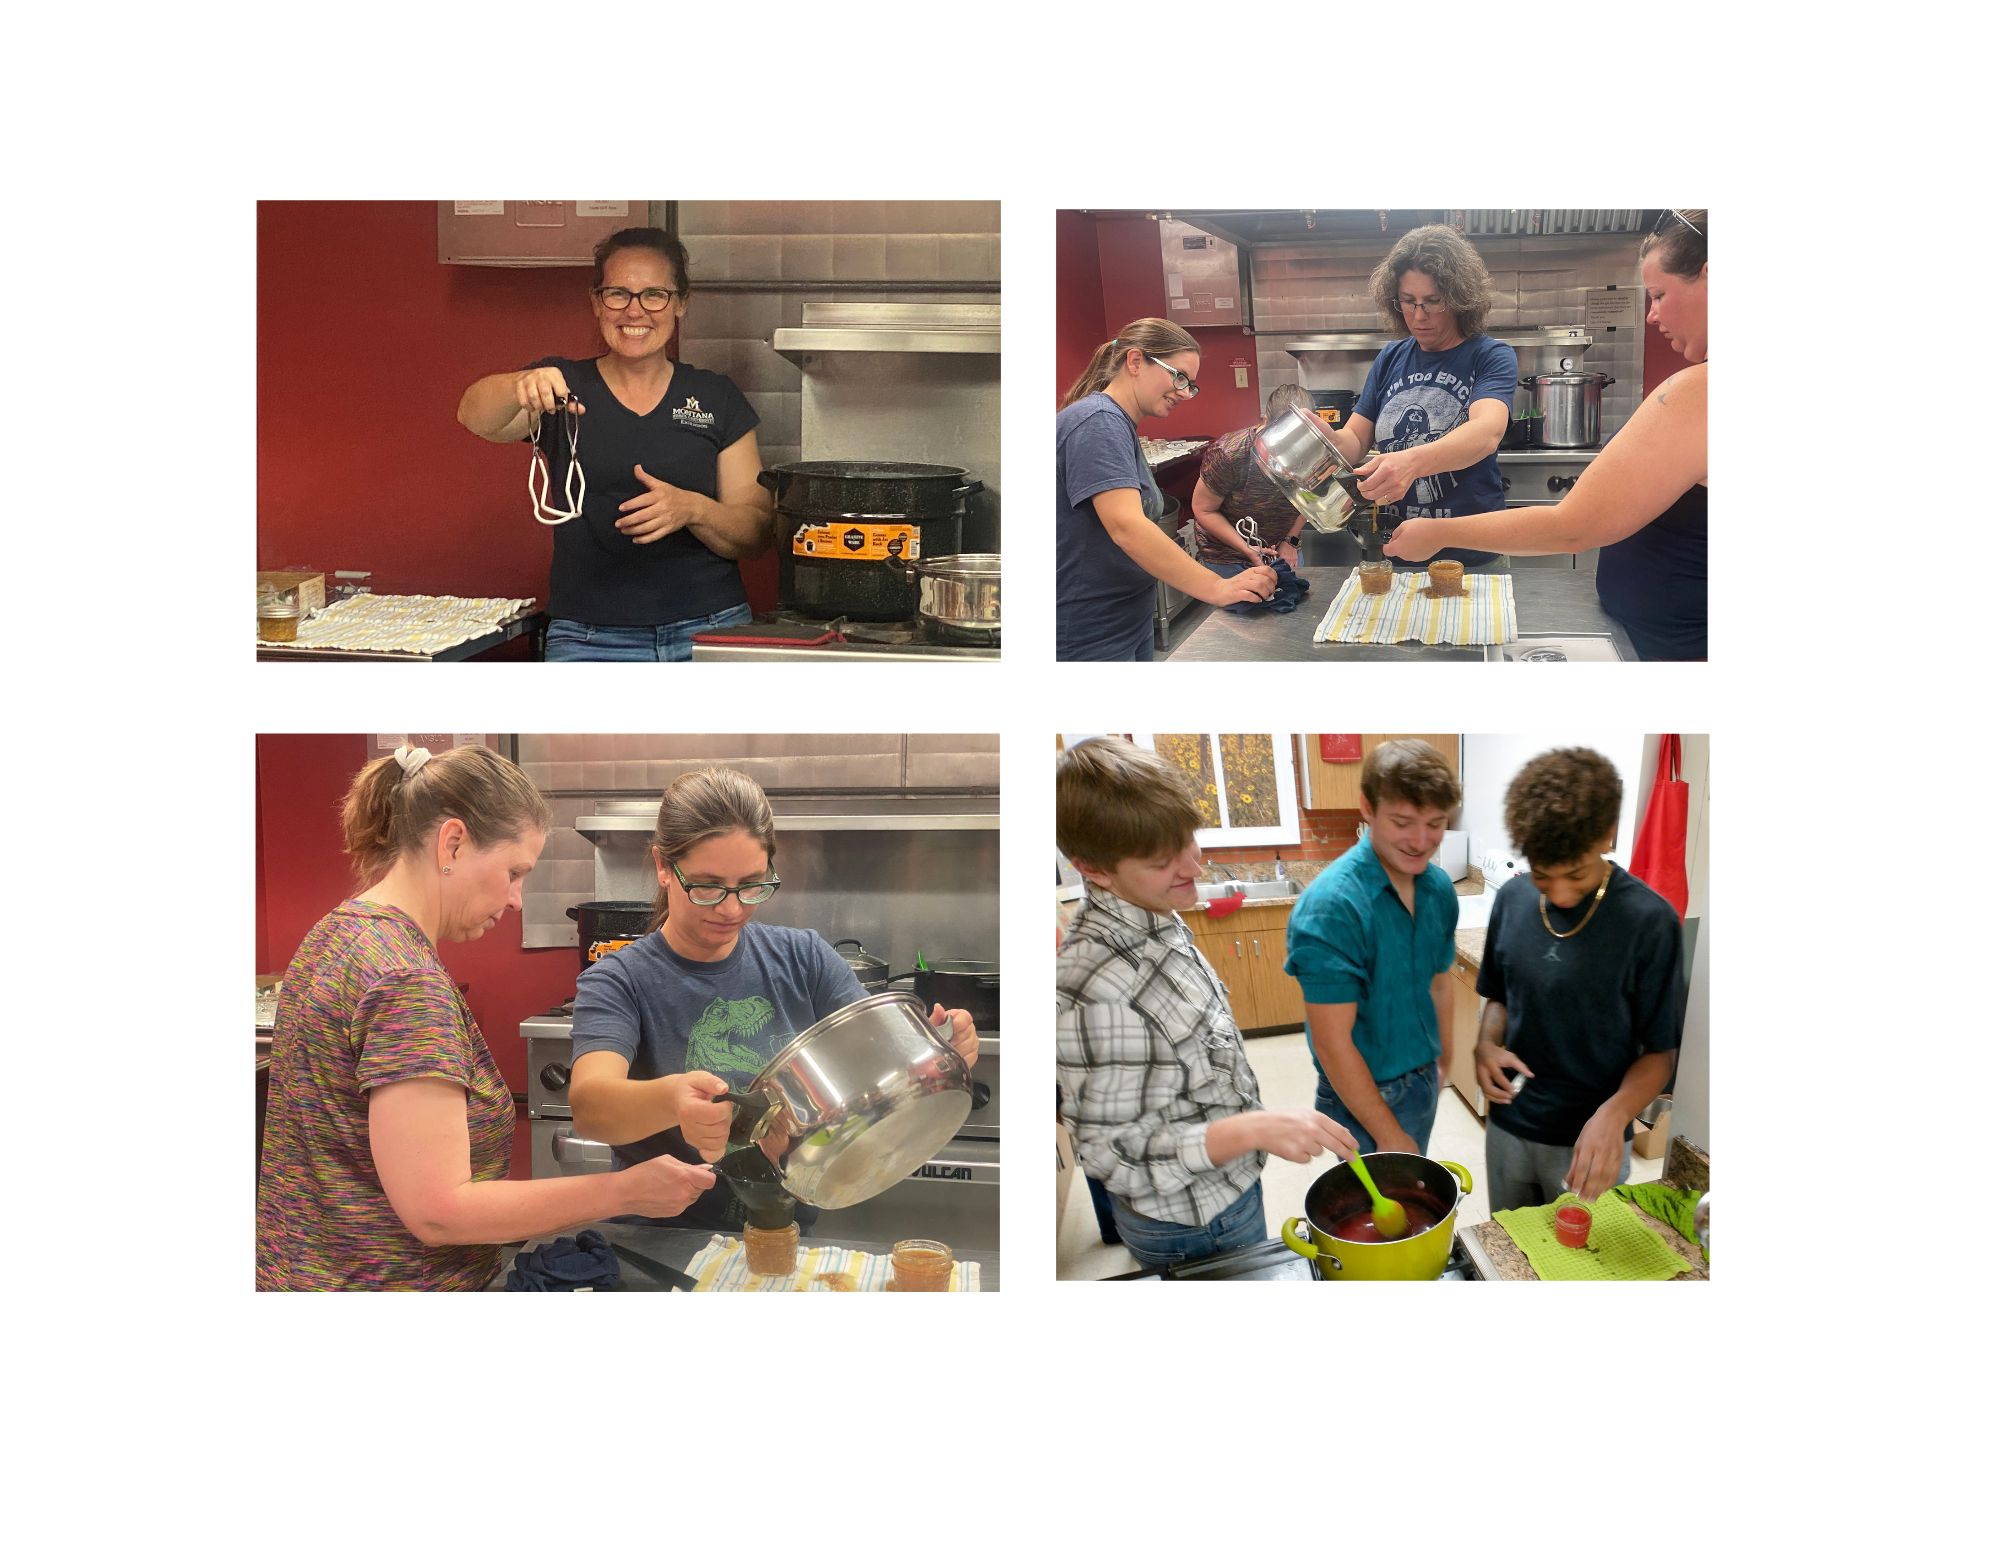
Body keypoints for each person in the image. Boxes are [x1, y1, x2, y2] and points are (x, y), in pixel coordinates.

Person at [256, 744, 715, 1290]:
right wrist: (626, 1191)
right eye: (514, 871)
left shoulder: (336, 932)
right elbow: (439, 1211)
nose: (519, 899)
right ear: (452, 843)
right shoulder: (407, 982)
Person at [566, 767, 978, 1232]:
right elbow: (591, 1107)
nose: (732, 908)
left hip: (784, 1228)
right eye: (707, 885)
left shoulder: (802, 958)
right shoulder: (619, 980)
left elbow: (875, 1047)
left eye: (751, 884)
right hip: (661, 1240)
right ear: (663, 866)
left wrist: (936, 1047)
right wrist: (671, 1100)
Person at [1056, 737, 1355, 1271]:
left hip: (1226, 1188)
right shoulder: (1097, 990)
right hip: (1190, 1223)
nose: (1195, 866)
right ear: (1095, 869)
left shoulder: (1151, 907)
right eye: (1162, 860)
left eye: (1188, 841)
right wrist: (1253, 1128)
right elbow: (1114, 1153)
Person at [1386, 210, 1708, 659]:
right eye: (1409, 301)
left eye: (1658, 294)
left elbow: (1570, 527)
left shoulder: (1701, 393)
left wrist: (1438, 531)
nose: (1652, 315)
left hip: (1679, 649)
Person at [457, 227, 775, 662]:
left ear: (681, 303)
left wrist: (692, 509)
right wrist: (518, 384)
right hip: (588, 639)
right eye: (618, 293)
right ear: (596, 302)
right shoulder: (561, 387)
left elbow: (756, 532)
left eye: (654, 294)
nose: (635, 310)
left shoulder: (716, 397)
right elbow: (474, 416)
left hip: (710, 631)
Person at [1474, 748, 1684, 1208]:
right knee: (1508, 1259)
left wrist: (1616, 1114)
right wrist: (1487, 1043)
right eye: (1545, 879)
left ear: (1607, 835)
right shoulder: (1511, 899)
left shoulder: (1650, 922)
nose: (1563, 894)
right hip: (1509, 1127)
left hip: (1591, 1144)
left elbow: (1660, 1055)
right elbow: (1500, 997)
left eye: (1576, 874)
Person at [1056, 318, 1276, 660]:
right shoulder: (1097, 421)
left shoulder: (1117, 422)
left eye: (1191, 384)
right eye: (1179, 377)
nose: (1185, 392)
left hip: (1126, 617)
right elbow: (1126, 526)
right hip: (1088, 627)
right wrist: (1217, 586)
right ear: (1135, 362)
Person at [1285, 740, 1462, 1156]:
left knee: (1410, 1205)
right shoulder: (1333, 907)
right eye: (1403, 822)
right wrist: (1387, 1133)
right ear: (1367, 807)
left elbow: (1439, 984)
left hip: (1421, 1078)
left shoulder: (1438, 889)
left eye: (1436, 823)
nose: (1421, 841)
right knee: (1372, 1215)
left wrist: (1443, 1061)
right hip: (1361, 1095)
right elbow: (1332, 1043)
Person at [1324, 225, 1518, 569]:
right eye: (1408, 302)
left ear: (1459, 299)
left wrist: (1410, 463)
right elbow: (1355, 437)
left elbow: (1486, 433)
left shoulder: (1490, 355)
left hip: (1472, 556)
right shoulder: (1391, 357)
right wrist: (1328, 442)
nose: (1417, 315)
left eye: (1432, 301)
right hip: (1402, 550)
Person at [1189, 383, 1313, 572]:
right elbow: (1203, 509)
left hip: (1284, 547)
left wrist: (1290, 541)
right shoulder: (1229, 453)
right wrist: (1246, 548)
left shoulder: (1313, 449)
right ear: (1265, 421)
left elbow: (1308, 499)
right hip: (1228, 556)